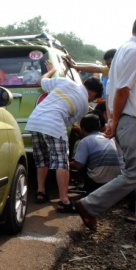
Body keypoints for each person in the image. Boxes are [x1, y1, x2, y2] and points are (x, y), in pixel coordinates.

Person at [74, 14, 136, 241]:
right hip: (132, 118)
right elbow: (123, 90)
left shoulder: (124, 51)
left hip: (133, 119)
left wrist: (112, 118)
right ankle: (90, 204)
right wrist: (115, 120)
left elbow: (115, 89)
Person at [26, 61, 102, 213]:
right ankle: (64, 200)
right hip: (54, 124)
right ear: (93, 94)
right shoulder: (85, 106)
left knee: (42, 159)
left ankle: (41, 192)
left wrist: (51, 70)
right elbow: (68, 122)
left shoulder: (65, 81)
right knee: (62, 162)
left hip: (34, 121)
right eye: (93, 99)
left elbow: (40, 82)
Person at [70, 114, 123, 193]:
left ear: (83, 129)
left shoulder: (85, 141)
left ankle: (88, 189)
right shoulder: (108, 137)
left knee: (81, 161)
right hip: (115, 180)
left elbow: (78, 165)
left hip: (98, 181)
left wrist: (66, 163)